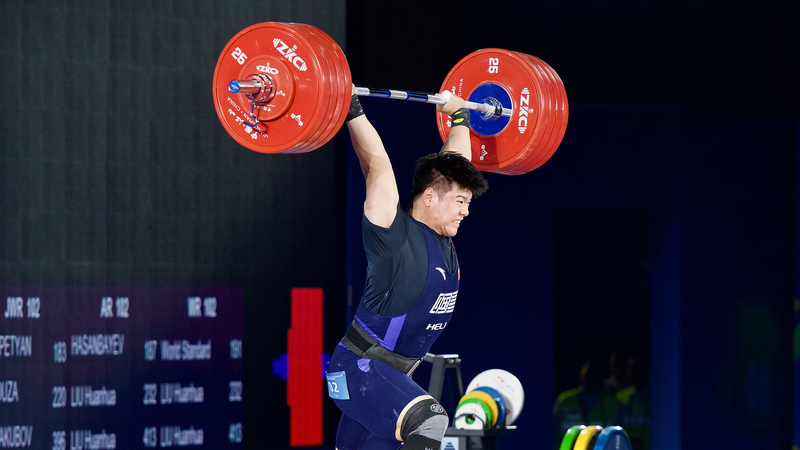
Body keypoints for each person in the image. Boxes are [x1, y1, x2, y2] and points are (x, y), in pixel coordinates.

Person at [325, 85, 489, 450]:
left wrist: (460, 117)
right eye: (460, 201)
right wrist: (350, 107)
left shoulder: (442, 238)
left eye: (467, 202)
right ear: (429, 198)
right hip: (357, 370)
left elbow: (454, 166)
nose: (466, 210)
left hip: (390, 381)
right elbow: (376, 165)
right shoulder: (392, 237)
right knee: (429, 420)